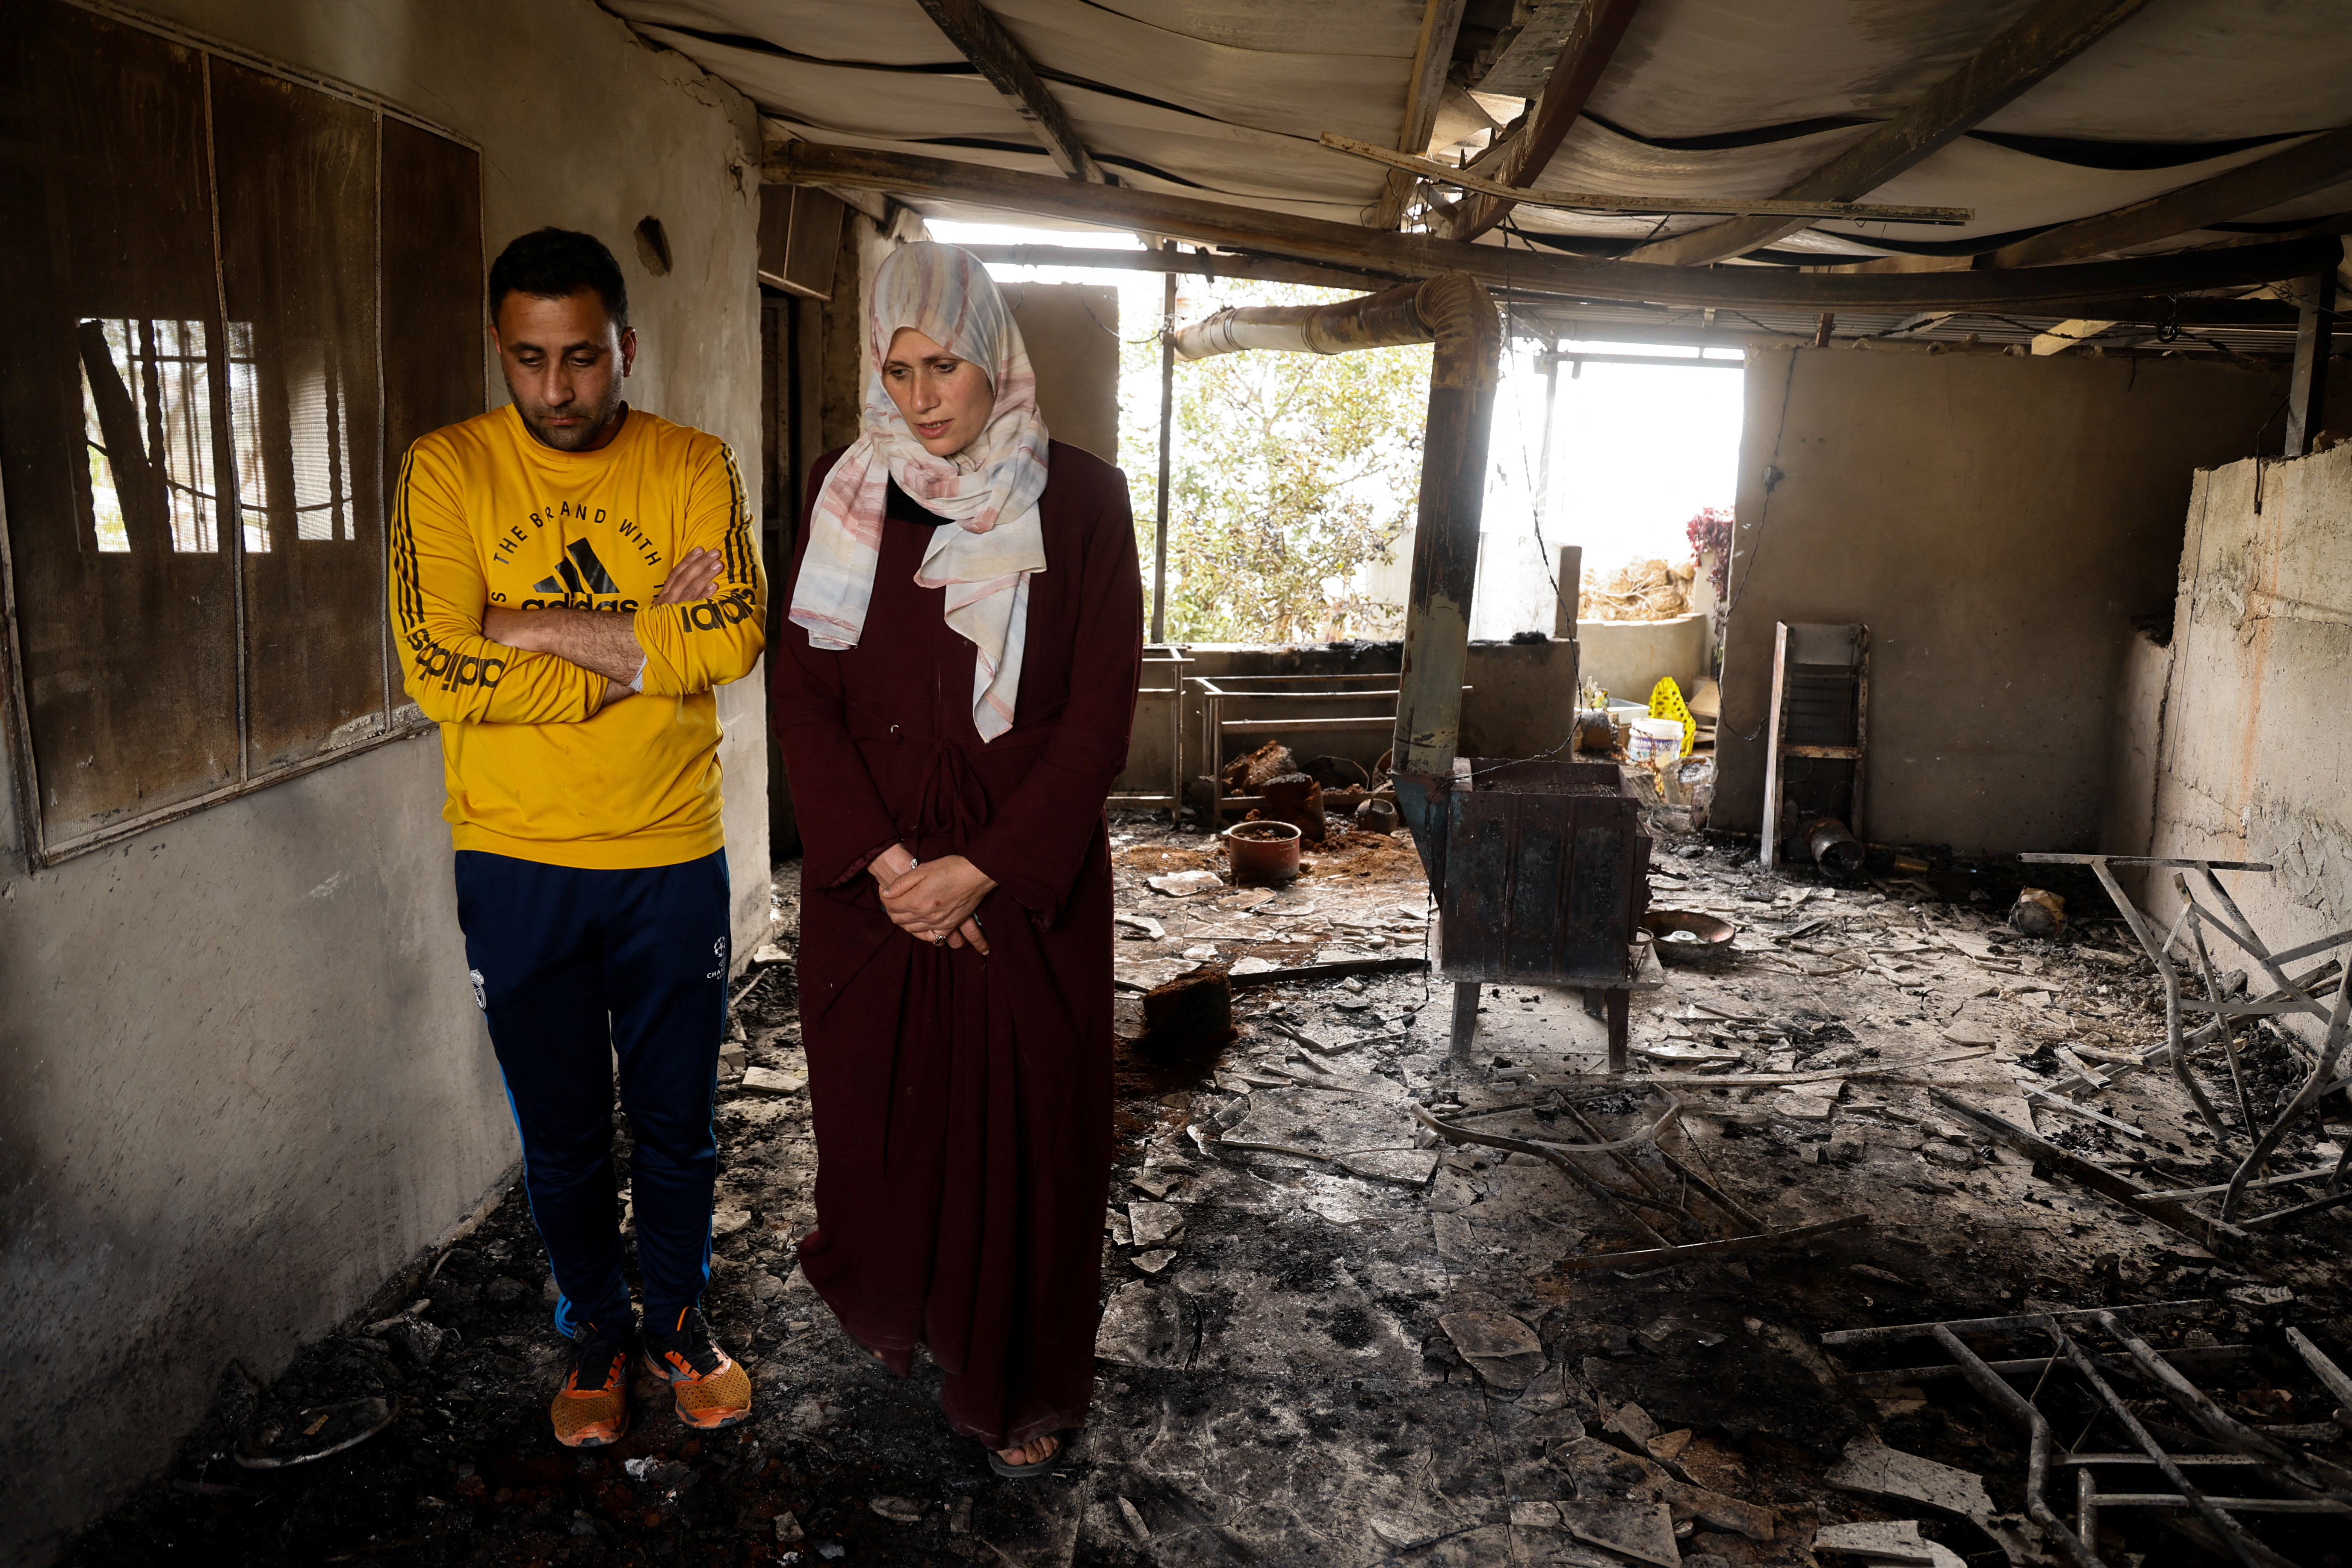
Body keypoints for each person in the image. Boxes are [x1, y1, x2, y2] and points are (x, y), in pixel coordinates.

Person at [390, 227, 766, 1448]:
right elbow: (440, 667)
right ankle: (594, 1326)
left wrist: (528, 624)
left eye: (585, 360)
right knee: (558, 1128)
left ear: (626, 347)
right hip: (516, 858)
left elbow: (733, 639)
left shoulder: (692, 463)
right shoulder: (444, 473)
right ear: (501, 352)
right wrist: (631, 653)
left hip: (668, 852)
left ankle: (677, 1317)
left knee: (674, 1118)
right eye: (530, 360)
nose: (557, 391)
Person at [772, 242, 1142, 1476]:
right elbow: (804, 700)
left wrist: (980, 867)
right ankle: (908, 1314)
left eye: (946, 365)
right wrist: (887, 866)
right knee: (884, 1123)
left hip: (1020, 887)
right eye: (900, 368)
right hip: (877, 890)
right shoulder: (847, 498)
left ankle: (1017, 1382)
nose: (924, 396)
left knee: (1027, 1132)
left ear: (995, 360)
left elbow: (1097, 717)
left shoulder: (1081, 500)